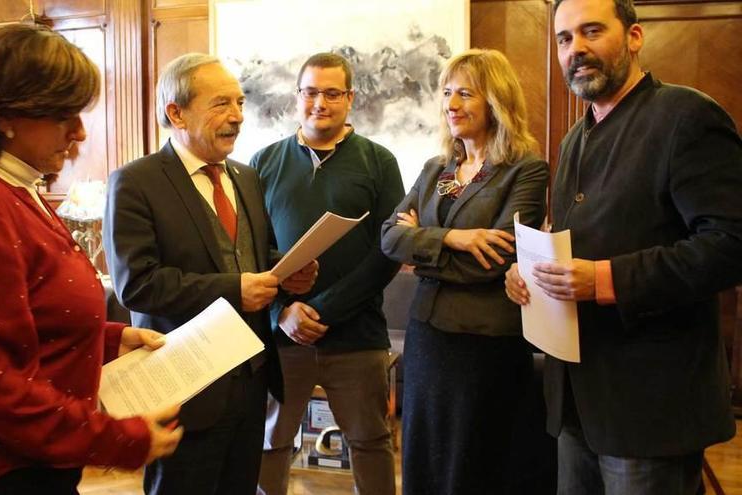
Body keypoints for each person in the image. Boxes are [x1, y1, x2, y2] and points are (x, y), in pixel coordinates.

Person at [0, 24, 183, 495]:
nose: (78, 132)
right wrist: (116, 438)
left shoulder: (9, 187)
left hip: (22, 466)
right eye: (63, 115)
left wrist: (112, 338)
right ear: (7, 115)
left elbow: (28, 318)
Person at [503, 0, 742, 493]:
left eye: (593, 31)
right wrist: (529, 274)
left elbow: (730, 243)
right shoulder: (573, 138)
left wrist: (606, 280)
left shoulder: (687, 116)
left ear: (634, 37)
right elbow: (576, 240)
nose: (577, 49)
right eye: (565, 38)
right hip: (574, 402)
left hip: (651, 407)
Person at [102, 53, 317, 495]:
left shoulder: (246, 176)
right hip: (187, 386)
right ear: (175, 112)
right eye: (221, 104)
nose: (237, 116)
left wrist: (285, 274)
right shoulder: (135, 182)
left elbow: (243, 256)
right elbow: (136, 284)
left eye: (239, 103)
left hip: (252, 380)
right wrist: (235, 290)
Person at [381, 48, 549, 494]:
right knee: (422, 457)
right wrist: (455, 239)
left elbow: (496, 260)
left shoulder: (525, 170)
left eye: (465, 93)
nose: (451, 104)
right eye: (446, 93)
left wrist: (422, 245)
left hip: (484, 345)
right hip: (427, 336)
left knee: (473, 463)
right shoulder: (437, 168)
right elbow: (388, 238)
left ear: (496, 100)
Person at [253, 52, 404, 495]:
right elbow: (249, 248)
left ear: (350, 98)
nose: (320, 102)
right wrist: (283, 310)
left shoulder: (379, 162)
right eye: (311, 92)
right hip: (282, 336)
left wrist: (322, 310)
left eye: (332, 93)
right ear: (297, 96)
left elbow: (389, 250)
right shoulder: (264, 162)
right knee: (271, 443)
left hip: (357, 334)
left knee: (372, 443)